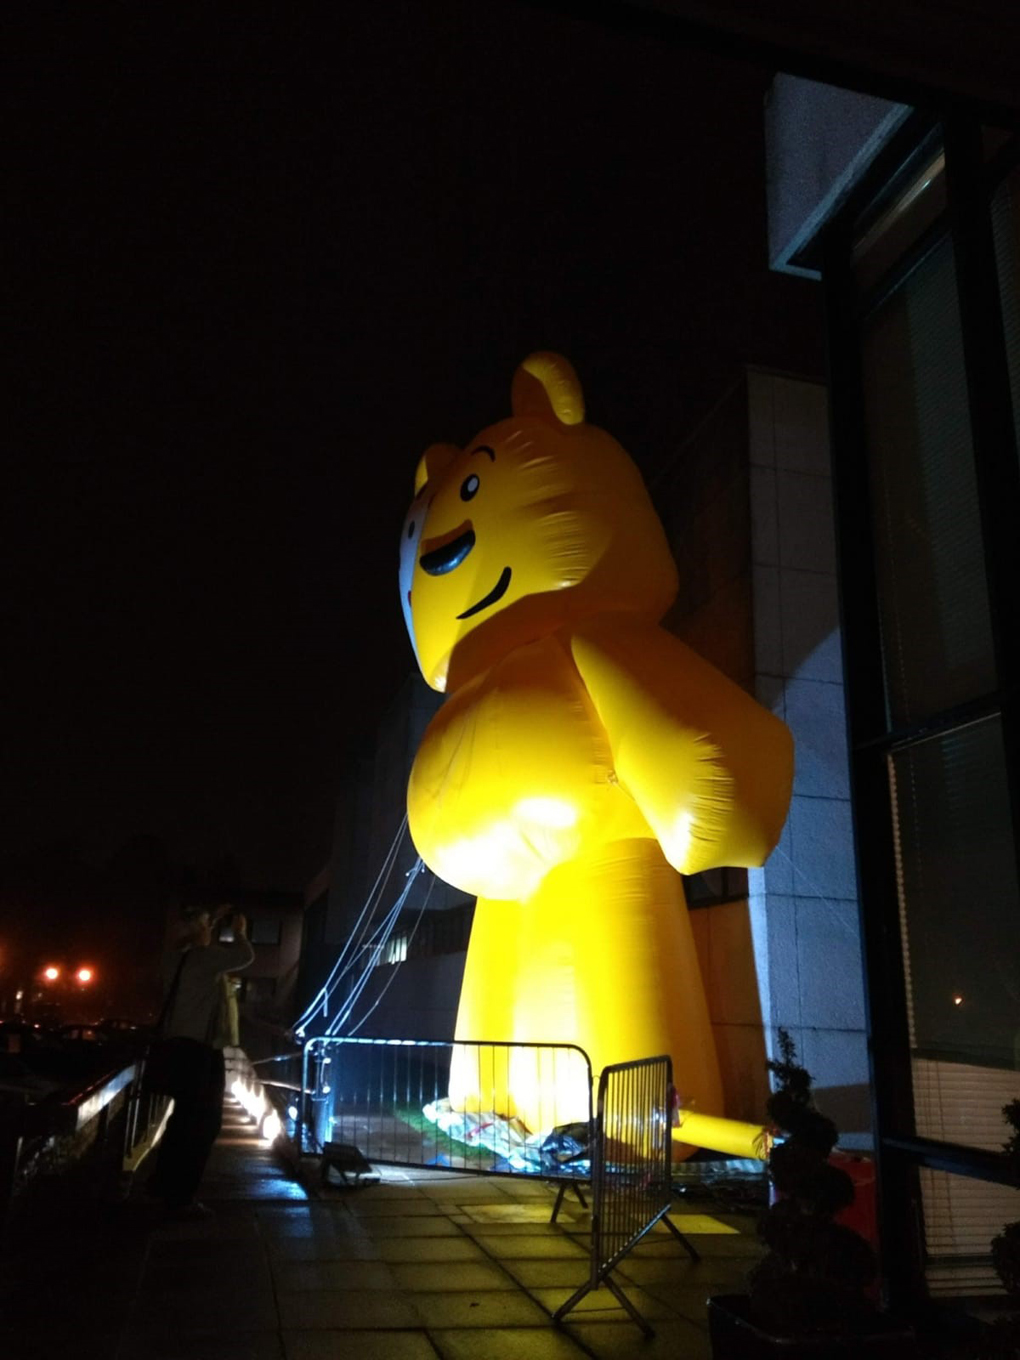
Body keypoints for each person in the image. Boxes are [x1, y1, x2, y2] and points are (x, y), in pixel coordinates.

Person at [147, 905, 254, 1217]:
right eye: (208, 924)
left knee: (181, 1121)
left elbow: (200, 949)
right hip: (199, 1052)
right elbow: (245, 956)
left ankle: (161, 1185)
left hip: (176, 1048)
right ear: (198, 929)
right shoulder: (207, 960)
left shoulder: (173, 959)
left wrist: (208, 921)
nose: (212, 928)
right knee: (202, 1125)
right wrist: (241, 932)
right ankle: (180, 1197)